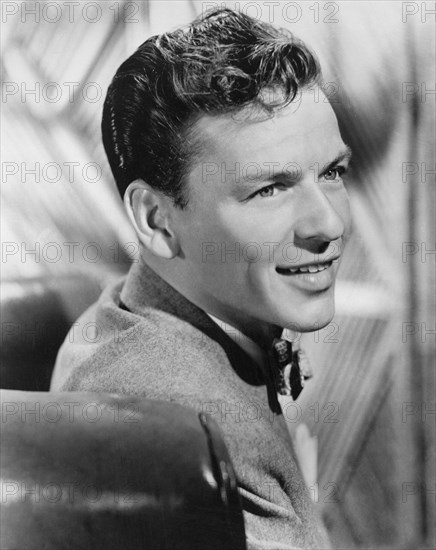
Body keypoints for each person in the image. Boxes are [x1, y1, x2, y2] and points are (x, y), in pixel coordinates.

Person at [51, 8, 352, 549]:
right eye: (270, 189)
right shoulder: (176, 431)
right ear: (156, 220)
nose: (329, 223)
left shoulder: (137, 314)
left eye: (332, 173)